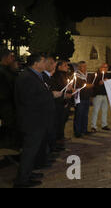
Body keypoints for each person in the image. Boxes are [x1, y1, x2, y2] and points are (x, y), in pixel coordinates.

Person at [14, 53, 63, 188]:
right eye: (43, 61)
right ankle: (22, 180)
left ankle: (29, 173)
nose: (46, 64)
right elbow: (29, 99)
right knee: (29, 151)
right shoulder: (26, 77)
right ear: (36, 63)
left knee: (33, 150)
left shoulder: (35, 75)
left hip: (38, 120)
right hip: (32, 121)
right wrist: (51, 95)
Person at [50, 60, 73, 148]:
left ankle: (61, 137)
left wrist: (70, 89)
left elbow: (66, 87)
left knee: (63, 121)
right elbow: (59, 88)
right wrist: (65, 93)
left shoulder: (64, 75)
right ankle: (57, 141)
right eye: (65, 65)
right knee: (58, 122)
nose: (67, 67)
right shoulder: (57, 76)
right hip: (59, 103)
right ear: (59, 67)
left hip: (65, 102)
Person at [0, 49, 19, 151]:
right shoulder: (3, 71)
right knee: (9, 127)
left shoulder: (8, 70)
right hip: (6, 105)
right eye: (11, 57)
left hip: (10, 104)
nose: (13, 59)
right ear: (5, 58)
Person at [73, 61, 94, 138]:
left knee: (85, 115)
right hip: (80, 98)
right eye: (83, 66)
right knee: (79, 115)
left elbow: (91, 85)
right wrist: (88, 86)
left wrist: (91, 94)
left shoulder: (88, 75)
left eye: (85, 66)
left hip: (87, 97)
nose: (85, 68)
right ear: (79, 67)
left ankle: (84, 130)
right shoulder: (76, 75)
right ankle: (77, 132)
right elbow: (78, 85)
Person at [91, 63, 111, 132]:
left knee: (105, 111)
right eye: (104, 67)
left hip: (105, 95)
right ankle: (93, 126)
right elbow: (93, 84)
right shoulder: (96, 75)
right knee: (96, 111)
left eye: (106, 67)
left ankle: (104, 124)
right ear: (100, 68)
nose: (105, 69)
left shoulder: (108, 75)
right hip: (98, 95)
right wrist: (99, 83)